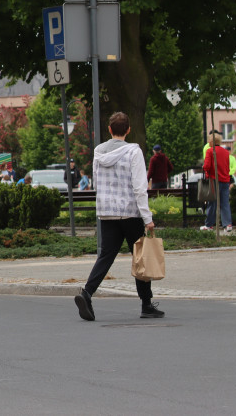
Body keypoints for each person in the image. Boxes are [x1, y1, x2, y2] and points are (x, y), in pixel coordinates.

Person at [74, 111, 163, 321]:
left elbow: (97, 181)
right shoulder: (134, 152)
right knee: (139, 257)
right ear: (129, 130)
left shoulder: (98, 152)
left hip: (107, 211)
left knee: (106, 256)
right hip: (130, 213)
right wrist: (147, 217)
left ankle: (87, 293)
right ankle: (146, 304)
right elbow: (140, 187)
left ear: (110, 130)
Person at [201, 133, 232, 233]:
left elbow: (206, 166)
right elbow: (227, 166)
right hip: (225, 180)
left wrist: (205, 171)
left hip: (214, 180)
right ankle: (227, 225)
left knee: (212, 203)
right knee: (225, 203)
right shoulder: (226, 152)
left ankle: (209, 225)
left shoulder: (210, 151)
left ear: (211, 142)